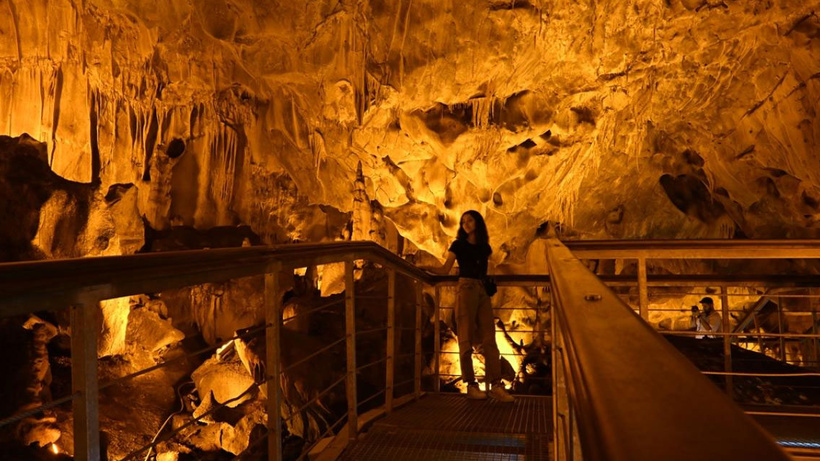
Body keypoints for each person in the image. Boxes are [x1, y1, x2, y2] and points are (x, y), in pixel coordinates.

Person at [421, 210, 514, 402]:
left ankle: (496, 385)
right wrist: (426, 268)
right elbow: (445, 269)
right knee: (465, 337)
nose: (466, 224)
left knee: (489, 337)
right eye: (463, 222)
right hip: (465, 289)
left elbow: (483, 271)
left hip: (481, 292)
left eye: (469, 220)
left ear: (477, 222)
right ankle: (471, 385)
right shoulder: (458, 245)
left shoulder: (484, 248)